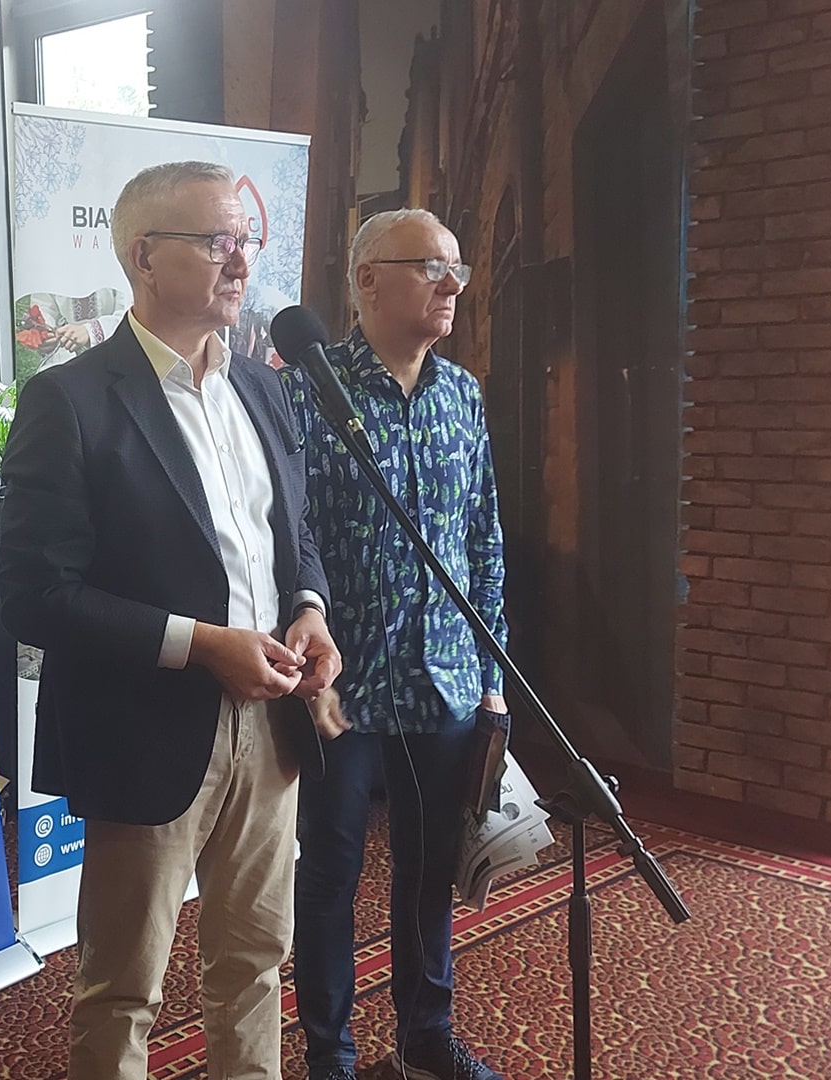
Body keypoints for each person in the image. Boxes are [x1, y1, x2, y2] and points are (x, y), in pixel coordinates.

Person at [0, 160, 341, 1080]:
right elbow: (34, 592)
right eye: (220, 240)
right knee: (124, 988)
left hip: (270, 723)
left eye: (247, 240)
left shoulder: (262, 386)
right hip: (144, 727)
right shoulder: (71, 399)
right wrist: (201, 647)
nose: (243, 261)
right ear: (145, 257)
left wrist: (309, 608)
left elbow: (293, 533)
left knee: (256, 964)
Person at [283, 208, 512, 1080]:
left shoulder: (463, 395)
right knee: (331, 873)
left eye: (457, 268)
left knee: (429, 868)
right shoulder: (307, 391)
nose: (452, 285)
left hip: (444, 676)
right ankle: (331, 1057)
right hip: (339, 686)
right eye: (430, 266)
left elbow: (483, 539)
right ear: (367, 279)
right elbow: (286, 536)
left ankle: (424, 1036)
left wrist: (490, 672)